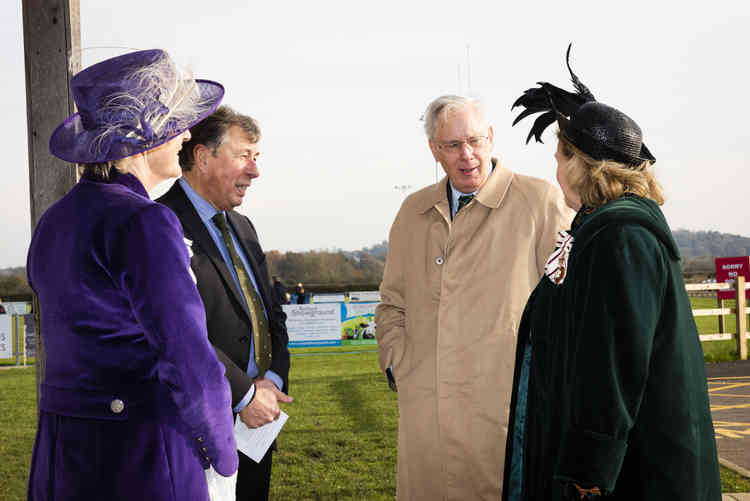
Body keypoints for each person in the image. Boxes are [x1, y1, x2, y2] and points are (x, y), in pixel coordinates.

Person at [503, 45, 721, 500]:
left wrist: (587, 475)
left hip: (633, 475)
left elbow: (615, 364)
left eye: (559, 158)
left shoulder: (621, 235)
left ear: (581, 165)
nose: (555, 171)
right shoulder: (602, 228)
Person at [26, 49, 238, 501]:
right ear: (143, 139)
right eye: (174, 125)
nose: (184, 136)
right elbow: (189, 360)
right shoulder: (145, 221)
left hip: (63, 457)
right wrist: (224, 456)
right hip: (141, 457)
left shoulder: (55, 220)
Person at [375, 94, 573, 500]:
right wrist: (398, 363)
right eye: (452, 145)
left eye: (476, 141)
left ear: (492, 138)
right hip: (426, 414)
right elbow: (391, 303)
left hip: (505, 414)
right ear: (434, 150)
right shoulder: (412, 212)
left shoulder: (540, 201)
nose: (467, 155)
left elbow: (569, 303)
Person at [157, 105, 291, 501]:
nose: (255, 171)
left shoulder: (243, 227)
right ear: (202, 157)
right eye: (244, 156)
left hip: (258, 426)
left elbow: (272, 313)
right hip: (197, 430)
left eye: (257, 157)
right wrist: (243, 394)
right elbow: (178, 331)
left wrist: (271, 382)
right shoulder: (160, 223)